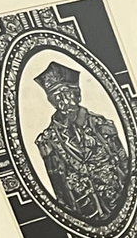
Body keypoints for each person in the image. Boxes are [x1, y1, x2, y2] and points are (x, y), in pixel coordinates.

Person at [31, 59, 131, 228]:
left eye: (66, 93)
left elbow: (126, 165)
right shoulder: (47, 141)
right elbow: (59, 188)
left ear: (77, 94)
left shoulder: (102, 125)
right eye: (56, 96)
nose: (63, 101)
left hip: (116, 200)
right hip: (85, 212)